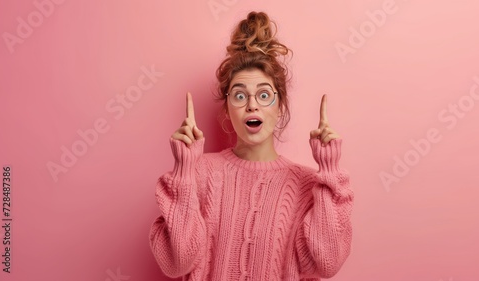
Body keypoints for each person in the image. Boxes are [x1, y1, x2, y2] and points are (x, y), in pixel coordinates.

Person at [149, 11, 354, 281]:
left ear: (280, 107)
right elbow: (176, 264)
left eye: (264, 95)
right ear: (227, 109)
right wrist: (184, 172)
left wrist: (328, 171)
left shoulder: (307, 185)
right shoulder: (200, 174)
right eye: (240, 95)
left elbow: (326, 264)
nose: (252, 104)